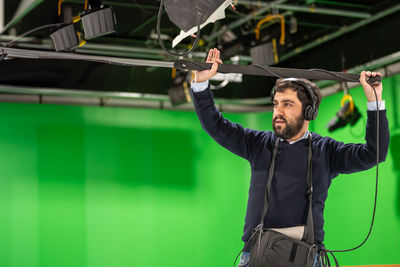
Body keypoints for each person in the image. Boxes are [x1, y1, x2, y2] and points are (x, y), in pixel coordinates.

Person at [190, 48, 390, 266]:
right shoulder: (258, 144)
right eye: (276, 104)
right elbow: (215, 125)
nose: (278, 111)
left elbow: (374, 153)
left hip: (306, 258)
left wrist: (375, 101)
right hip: (256, 256)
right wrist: (201, 86)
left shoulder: (327, 151)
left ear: (309, 112)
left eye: (287, 104)